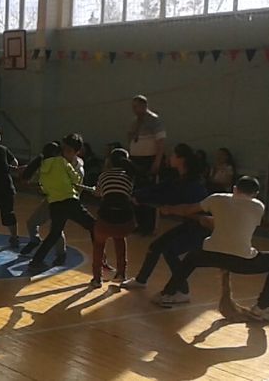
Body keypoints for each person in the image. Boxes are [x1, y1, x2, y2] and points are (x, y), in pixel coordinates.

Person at [154, 176, 269, 324]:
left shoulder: (216, 198)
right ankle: (262, 307)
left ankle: (167, 293)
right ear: (256, 194)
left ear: (234, 189)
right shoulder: (259, 207)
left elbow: (187, 209)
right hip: (242, 260)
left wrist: (169, 209)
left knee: (191, 258)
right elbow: (235, 221)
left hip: (212, 254)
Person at [121, 144, 209, 292]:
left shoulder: (193, 184)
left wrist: (142, 199)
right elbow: (158, 189)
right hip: (190, 226)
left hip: (201, 229)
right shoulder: (179, 179)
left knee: (170, 251)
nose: (170, 157)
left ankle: (183, 291)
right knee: (156, 247)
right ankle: (141, 280)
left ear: (181, 159)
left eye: (173, 155)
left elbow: (168, 197)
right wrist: (136, 195)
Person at [29, 133, 96, 270]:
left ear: (77, 152)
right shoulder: (57, 162)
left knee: (56, 232)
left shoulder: (76, 168)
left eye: (68, 150)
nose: (64, 152)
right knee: (54, 231)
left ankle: (45, 259)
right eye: (64, 149)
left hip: (65, 201)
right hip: (57, 200)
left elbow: (77, 187)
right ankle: (41, 259)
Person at [88, 148, 137, 288]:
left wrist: (97, 190)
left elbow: (99, 193)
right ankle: (121, 273)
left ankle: (97, 279)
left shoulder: (104, 175)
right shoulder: (130, 176)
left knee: (99, 244)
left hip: (105, 219)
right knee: (119, 238)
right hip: (125, 221)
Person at [128, 95, 167, 236]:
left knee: (149, 193)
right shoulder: (134, 122)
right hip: (136, 160)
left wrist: (157, 162)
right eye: (133, 107)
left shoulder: (154, 120)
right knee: (137, 193)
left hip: (149, 160)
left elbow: (161, 143)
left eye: (136, 106)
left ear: (144, 106)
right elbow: (130, 138)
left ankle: (150, 226)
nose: (134, 109)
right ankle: (140, 224)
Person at [19, 141, 64, 255]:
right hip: (52, 198)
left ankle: (61, 254)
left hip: (62, 199)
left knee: (56, 229)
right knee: (32, 223)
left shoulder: (57, 164)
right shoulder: (49, 163)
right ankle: (35, 240)